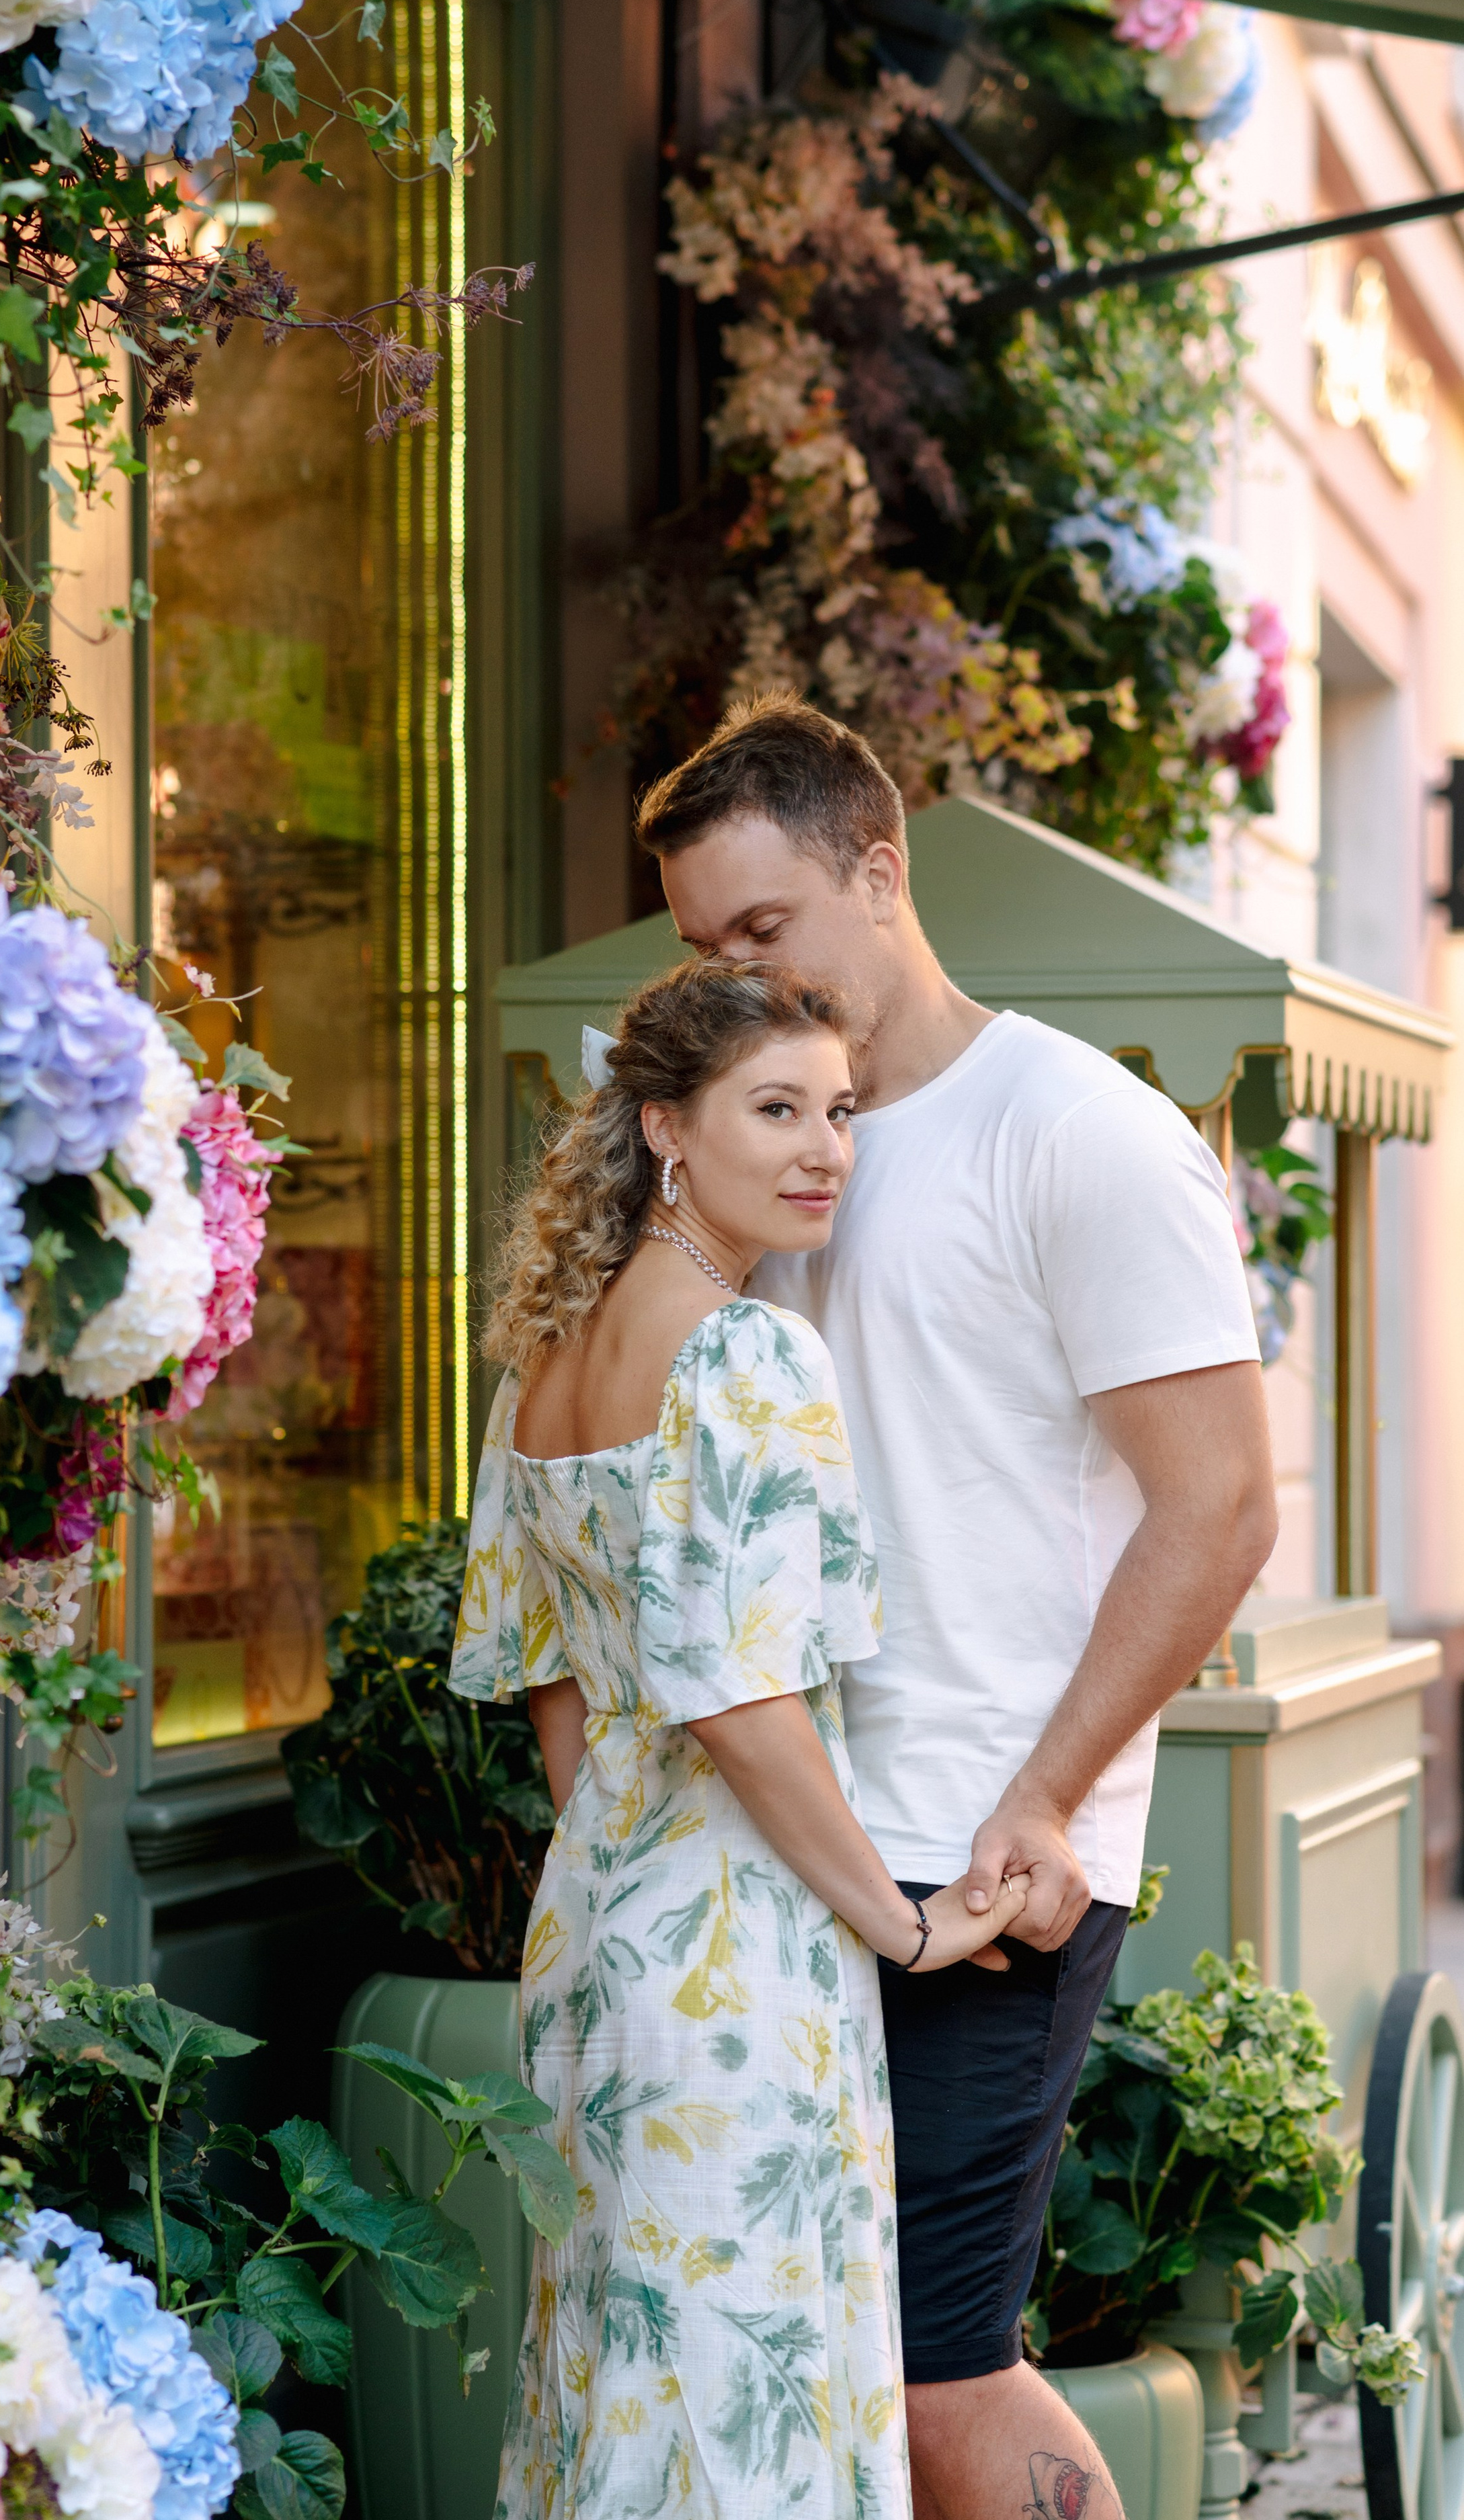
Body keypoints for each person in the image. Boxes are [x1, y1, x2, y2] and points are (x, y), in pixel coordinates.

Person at [636, 691, 1278, 2520]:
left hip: (984, 1854)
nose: (735, 977)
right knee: (828, 2363)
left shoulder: (1078, 1130)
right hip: (782, 1838)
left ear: (882, 870)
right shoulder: (757, 1142)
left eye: (764, 932)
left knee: (938, 2372)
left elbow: (1218, 1509)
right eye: (703, 953)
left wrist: (1046, 1798)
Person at [449, 958, 1030, 2520]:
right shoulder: (747, 1353)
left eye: (837, 1109)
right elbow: (740, 1699)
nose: (823, 1146)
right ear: (665, 1130)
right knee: (740, 2399)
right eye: (774, 1109)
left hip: (596, 1934)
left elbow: (558, 1687)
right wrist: (898, 1925)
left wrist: (619, 1881)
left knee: (624, 2378)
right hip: (738, 1959)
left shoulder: (543, 1365)